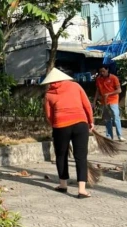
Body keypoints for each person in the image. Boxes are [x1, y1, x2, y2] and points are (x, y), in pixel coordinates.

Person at [42, 68, 94, 198]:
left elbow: (48, 115)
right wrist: (90, 121)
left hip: (61, 126)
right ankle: (81, 189)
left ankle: (63, 185)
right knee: (81, 156)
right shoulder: (75, 86)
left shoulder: (48, 94)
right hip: (80, 123)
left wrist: (55, 124)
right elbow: (87, 105)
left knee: (61, 155)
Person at [93, 65, 126, 141]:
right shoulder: (98, 79)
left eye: (103, 71)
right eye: (100, 71)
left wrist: (109, 94)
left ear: (107, 70)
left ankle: (119, 135)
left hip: (113, 100)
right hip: (104, 102)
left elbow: (119, 90)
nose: (102, 73)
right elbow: (97, 90)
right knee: (107, 119)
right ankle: (109, 136)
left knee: (116, 117)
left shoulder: (114, 78)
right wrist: (94, 101)